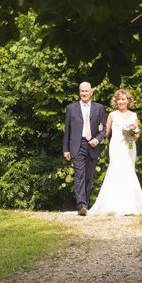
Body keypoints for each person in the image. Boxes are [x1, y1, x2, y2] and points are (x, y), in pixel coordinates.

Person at [88, 89, 142, 216]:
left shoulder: (133, 115)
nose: (121, 102)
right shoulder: (112, 115)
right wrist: (99, 130)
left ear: (128, 101)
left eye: (123, 99)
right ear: (116, 101)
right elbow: (106, 132)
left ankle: (129, 206)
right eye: (119, 99)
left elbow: (137, 135)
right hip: (116, 147)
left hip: (129, 147)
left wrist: (133, 135)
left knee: (129, 171)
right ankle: (114, 205)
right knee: (116, 170)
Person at [62, 82, 107, 215]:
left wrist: (97, 139)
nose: (84, 93)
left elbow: (103, 129)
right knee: (79, 175)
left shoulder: (99, 108)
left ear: (91, 92)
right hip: (77, 145)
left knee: (89, 177)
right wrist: (66, 149)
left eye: (86, 91)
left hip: (92, 146)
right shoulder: (71, 108)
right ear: (79, 92)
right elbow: (67, 130)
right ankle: (81, 205)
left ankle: (85, 204)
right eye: (82, 91)